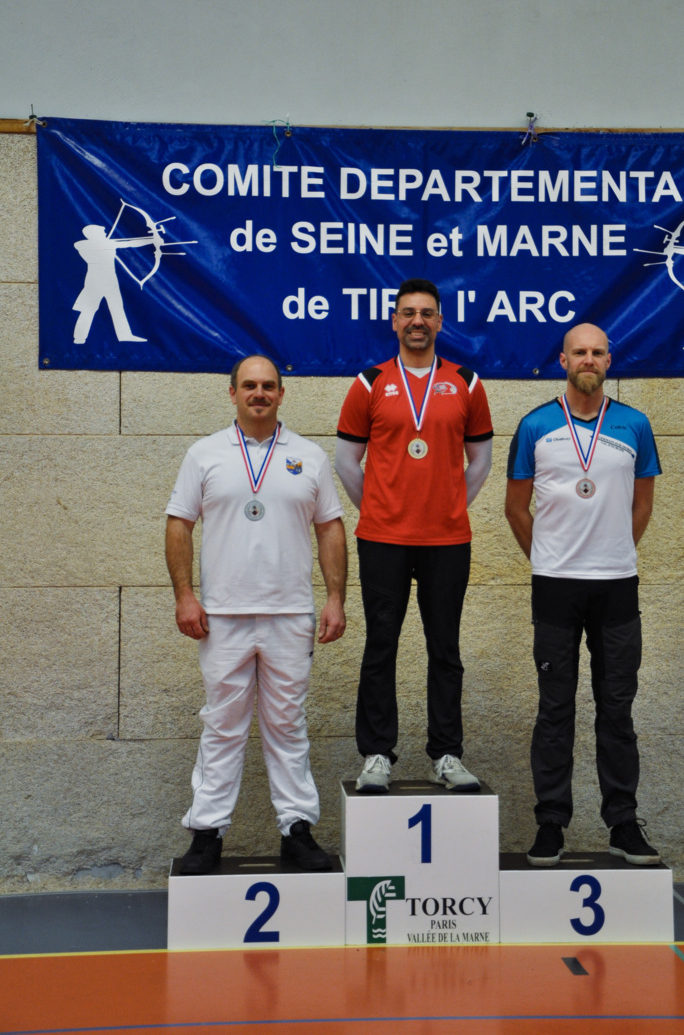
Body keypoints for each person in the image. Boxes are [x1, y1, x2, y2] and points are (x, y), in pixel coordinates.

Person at [165, 354, 347, 875]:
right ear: (233, 393)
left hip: (290, 614)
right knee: (222, 725)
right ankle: (206, 834)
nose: (259, 393)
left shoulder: (309, 456)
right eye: (249, 385)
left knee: (287, 725)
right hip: (223, 616)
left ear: (282, 394)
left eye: (269, 386)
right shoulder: (204, 454)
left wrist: (335, 599)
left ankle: (297, 830)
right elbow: (179, 525)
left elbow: (330, 529)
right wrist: (185, 596)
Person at [504, 323, 662, 866]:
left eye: (597, 352)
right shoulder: (535, 425)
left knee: (617, 709)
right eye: (579, 353)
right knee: (555, 708)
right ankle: (551, 823)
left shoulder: (635, 424)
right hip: (555, 588)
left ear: (608, 361)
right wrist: (549, 559)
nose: (588, 360)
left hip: (617, 586)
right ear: (563, 361)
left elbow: (643, 504)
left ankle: (622, 822)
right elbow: (515, 508)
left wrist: (613, 550)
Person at [335, 278, 493, 794]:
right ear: (395, 321)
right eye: (408, 313)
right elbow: (346, 461)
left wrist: (448, 507)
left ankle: (446, 754)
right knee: (381, 644)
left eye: (427, 313)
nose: (417, 321)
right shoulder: (369, 382)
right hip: (383, 538)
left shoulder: (466, 382)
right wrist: (381, 510)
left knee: (445, 647)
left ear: (440, 322)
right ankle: (377, 753)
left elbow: (481, 460)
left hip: (447, 540)